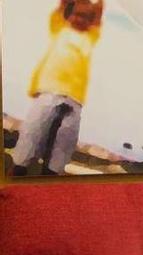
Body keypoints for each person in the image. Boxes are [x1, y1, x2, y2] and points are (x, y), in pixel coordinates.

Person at [10, 0, 104, 176]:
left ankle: (52, 173)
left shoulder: (90, 37)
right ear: (68, 15)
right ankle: (19, 166)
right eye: (77, 14)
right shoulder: (60, 27)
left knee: (65, 140)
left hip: (75, 98)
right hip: (49, 90)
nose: (80, 18)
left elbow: (98, 13)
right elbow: (63, 5)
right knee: (33, 129)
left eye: (85, 17)